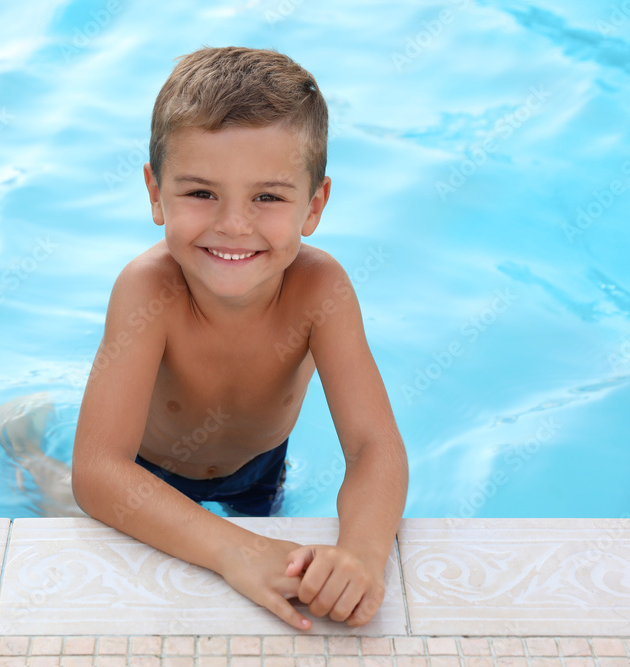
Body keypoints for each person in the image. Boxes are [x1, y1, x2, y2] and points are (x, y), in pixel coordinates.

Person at [71, 46, 408, 631]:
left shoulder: (320, 291)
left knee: (271, 540)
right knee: (75, 531)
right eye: (201, 193)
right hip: (149, 474)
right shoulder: (148, 291)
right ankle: (21, 443)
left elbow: (374, 448)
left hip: (260, 468)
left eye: (268, 197)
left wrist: (361, 556)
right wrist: (237, 551)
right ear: (155, 193)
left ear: (314, 205)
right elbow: (99, 471)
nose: (233, 224)